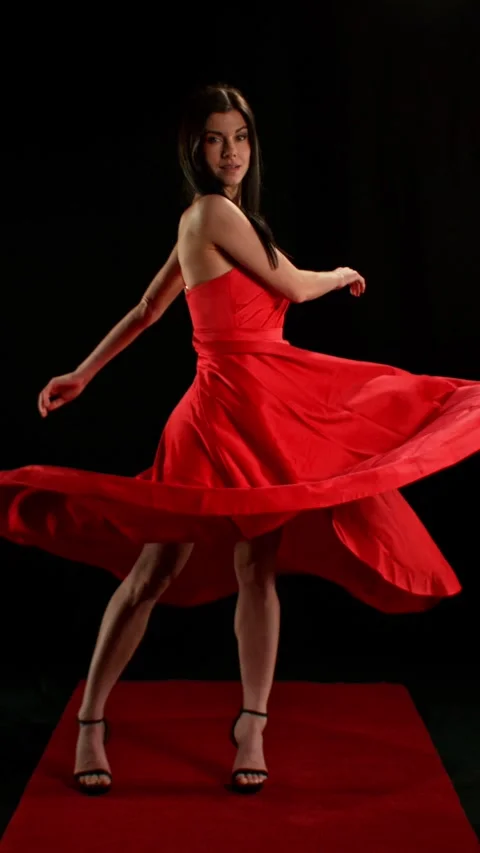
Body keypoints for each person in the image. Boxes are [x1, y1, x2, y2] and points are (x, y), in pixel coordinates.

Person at [2, 83, 479, 798]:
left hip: (266, 411)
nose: (231, 152)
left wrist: (82, 371)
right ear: (194, 149)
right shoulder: (211, 214)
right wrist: (340, 273)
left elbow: (145, 307)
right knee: (152, 574)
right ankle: (90, 720)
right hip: (215, 416)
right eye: (216, 139)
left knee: (259, 566)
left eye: (242, 138)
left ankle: (251, 722)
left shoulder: (222, 219)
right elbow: (288, 283)